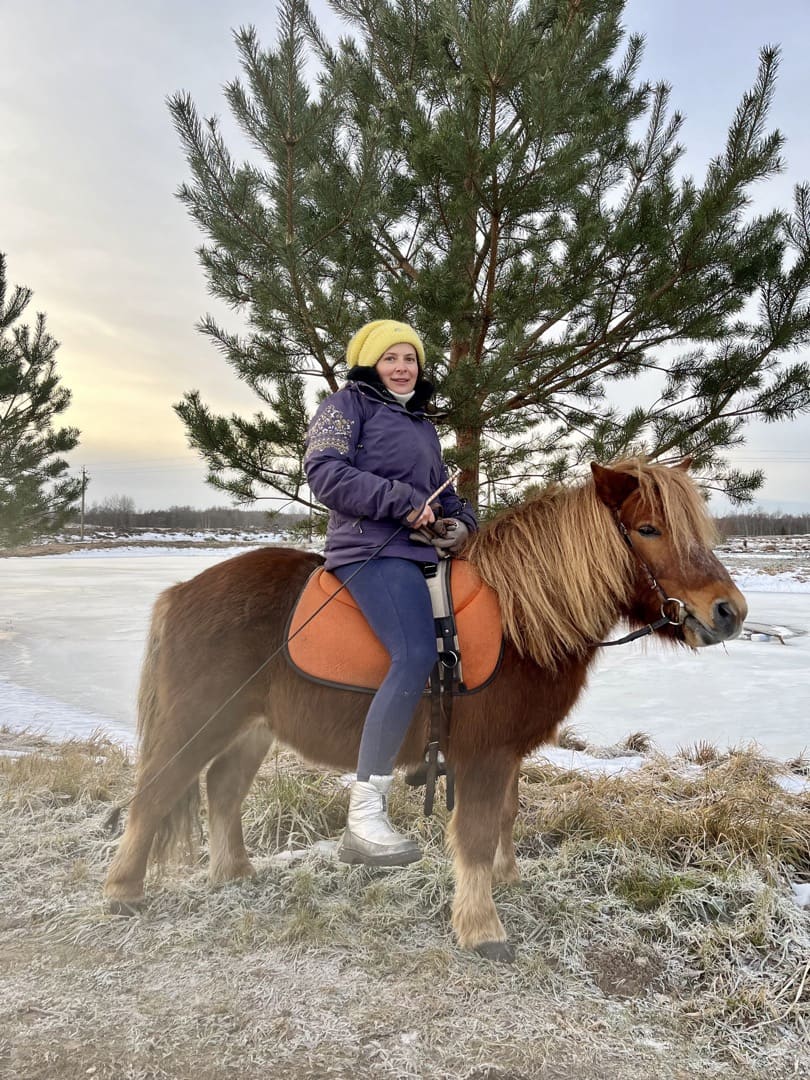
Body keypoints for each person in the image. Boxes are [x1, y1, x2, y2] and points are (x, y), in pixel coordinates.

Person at [304, 319, 478, 866]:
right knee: (415, 654)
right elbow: (324, 473)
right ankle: (363, 813)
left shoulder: (420, 423)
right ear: (369, 363)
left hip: (423, 553)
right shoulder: (344, 406)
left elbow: (445, 496)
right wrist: (402, 501)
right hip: (370, 550)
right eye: (390, 358)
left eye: (411, 358)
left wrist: (461, 525)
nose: (403, 367)